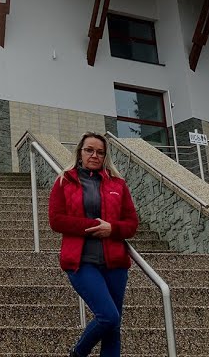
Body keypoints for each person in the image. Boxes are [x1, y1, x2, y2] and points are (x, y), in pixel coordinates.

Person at [48, 132, 140, 357]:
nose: (94, 155)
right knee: (108, 316)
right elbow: (56, 220)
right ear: (80, 152)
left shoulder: (118, 184)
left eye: (100, 152)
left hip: (115, 264)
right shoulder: (64, 181)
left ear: (105, 156)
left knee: (113, 328)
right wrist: (93, 226)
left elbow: (132, 224)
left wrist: (112, 229)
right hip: (80, 262)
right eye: (89, 150)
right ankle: (79, 352)